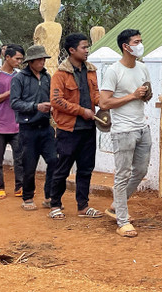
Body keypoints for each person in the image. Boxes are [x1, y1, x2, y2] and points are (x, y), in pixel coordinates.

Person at [99, 29, 152, 238]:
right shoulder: (113, 71)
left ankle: (115, 206)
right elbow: (104, 102)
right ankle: (122, 221)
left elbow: (146, 95)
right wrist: (132, 96)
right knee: (122, 175)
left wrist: (144, 95)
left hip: (141, 127)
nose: (140, 44)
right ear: (125, 46)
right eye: (136, 42)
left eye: (141, 40)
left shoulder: (143, 68)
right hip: (122, 130)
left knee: (140, 170)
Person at [48, 33, 103, 219]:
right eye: (84, 47)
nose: (87, 51)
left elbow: (96, 95)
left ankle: (83, 206)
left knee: (86, 168)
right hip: (68, 129)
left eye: (87, 47)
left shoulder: (91, 71)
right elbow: (56, 101)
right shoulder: (60, 75)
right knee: (63, 168)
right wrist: (82, 111)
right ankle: (55, 204)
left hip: (88, 128)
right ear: (72, 50)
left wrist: (106, 103)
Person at [10, 44, 57, 211]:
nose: (42, 62)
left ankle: (49, 195)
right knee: (29, 164)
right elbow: (14, 102)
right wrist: (36, 106)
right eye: (39, 59)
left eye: (44, 59)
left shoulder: (47, 77)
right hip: (28, 128)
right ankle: (28, 197)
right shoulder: (19, 78)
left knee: (54, 160)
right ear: (30, 61)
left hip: (46, 127)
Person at [0, 44, 25, 200]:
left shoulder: (21, 74)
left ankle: (20, 186)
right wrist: (11, 93)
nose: (19, 61)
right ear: (7, 57)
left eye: (21, 59)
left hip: (17, 122)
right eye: (17, 58)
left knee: (20, 158)